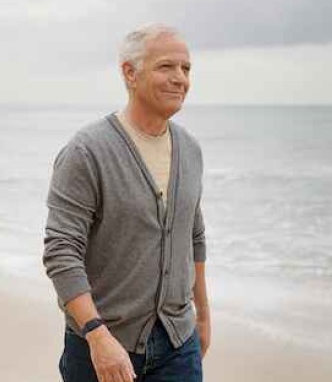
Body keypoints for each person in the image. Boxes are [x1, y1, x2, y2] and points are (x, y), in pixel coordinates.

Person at [42, 23, 210, 382]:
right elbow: (61, 251)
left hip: (179, 346)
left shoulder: (191, 151)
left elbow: (193, 236)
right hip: (100, 345)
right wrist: (97, 335)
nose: (180, 78)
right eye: (167, 66)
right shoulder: (86, 152)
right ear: (129, 73)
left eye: (186, 68)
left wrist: (204, 318)